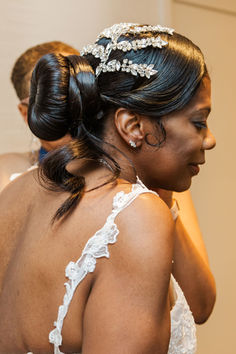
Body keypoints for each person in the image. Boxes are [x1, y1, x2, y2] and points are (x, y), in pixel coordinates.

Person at [0, 23, 216, 353]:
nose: (210, 140)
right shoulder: (135, 214)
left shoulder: (18, 191)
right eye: (198, 122)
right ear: (133, 125)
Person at [0, 41, 79, 192]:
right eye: (52, 101)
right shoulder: (6, 173)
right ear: (26, 114)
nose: (73, 109)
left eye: (78, 93)